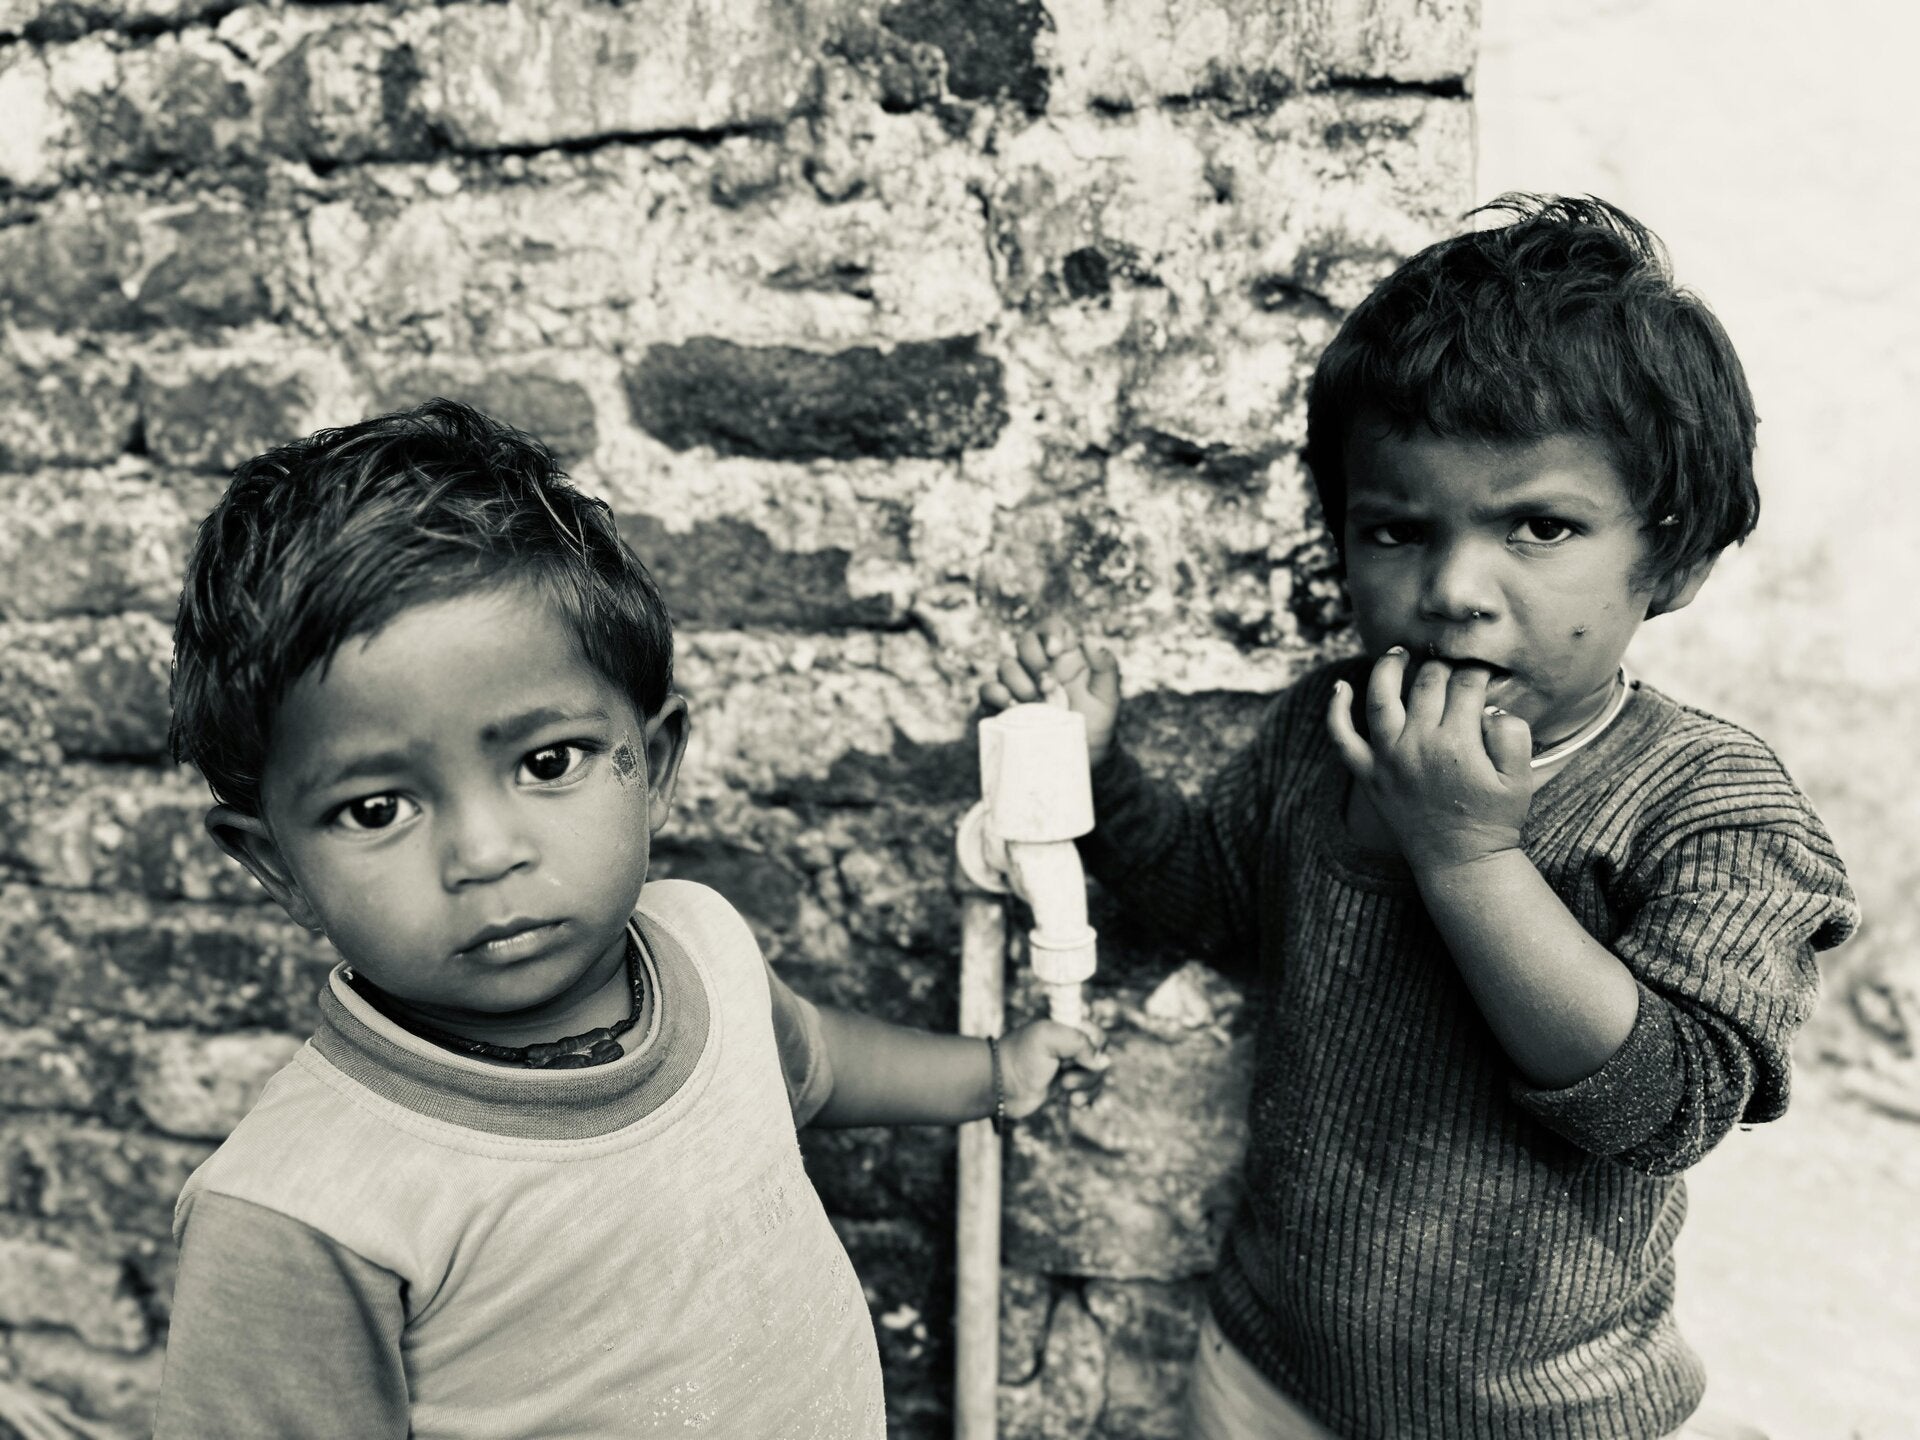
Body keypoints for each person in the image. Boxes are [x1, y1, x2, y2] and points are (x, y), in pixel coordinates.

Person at [982, 195, 1857, 1440]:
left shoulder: (1708, 808)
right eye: (1398, 530)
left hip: (1542, 1414)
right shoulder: (1326, 727)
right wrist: (1099, 773)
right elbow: (1209, 898)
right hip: (1270, 1368)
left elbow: (1666, 1108)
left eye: (1539, 527)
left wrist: (1467, 852)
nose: (1451, 589)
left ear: (1674, 561)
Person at [154, 398, 1102, 1438]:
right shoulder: (297, 1214)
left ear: (650, 766)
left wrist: (992, 1075)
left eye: (547, 762)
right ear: (275, 865)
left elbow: (812, 1062)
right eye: (377, 809)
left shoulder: (702, 943)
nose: (486, 853)